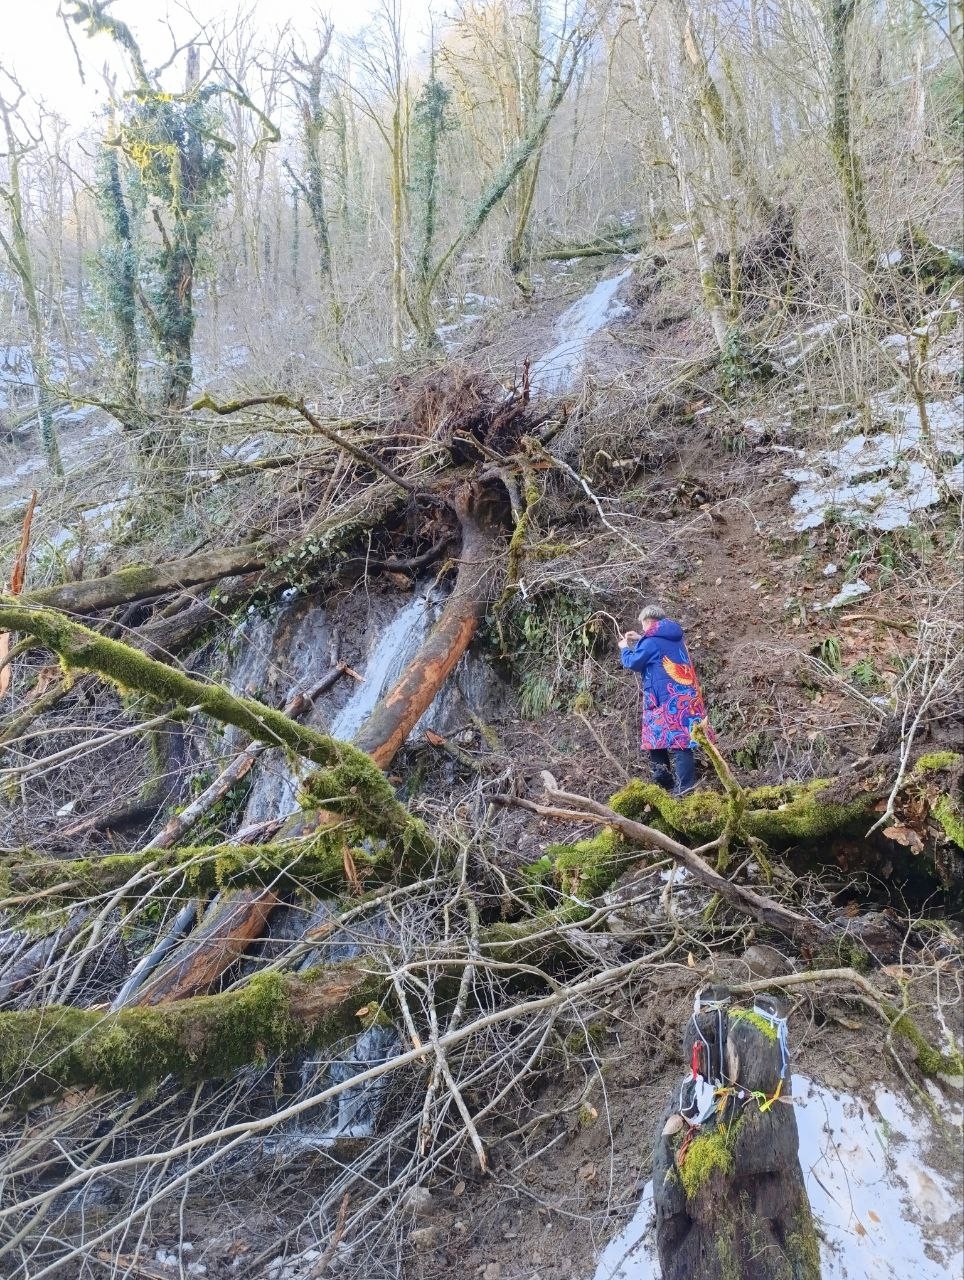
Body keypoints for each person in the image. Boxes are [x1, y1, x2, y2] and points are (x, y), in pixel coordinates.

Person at [617, 605, 711, 797]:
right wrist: (641, 639)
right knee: (680, 741)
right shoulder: (675, 638)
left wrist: (625, 648)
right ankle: (682, 788)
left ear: (647, 622)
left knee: (660, 741)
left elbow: (633, 662)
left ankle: (673, 789)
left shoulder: (651, 642)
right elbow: (655, 648)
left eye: (643, 627)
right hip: (686, 698)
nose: (643, 631)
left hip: (662, 699)